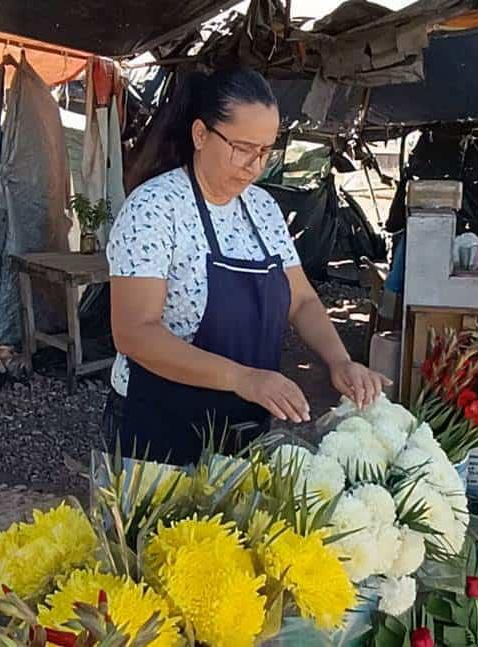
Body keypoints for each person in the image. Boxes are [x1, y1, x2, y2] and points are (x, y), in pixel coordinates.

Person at [104, 68, 389, 465]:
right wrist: (242, 378)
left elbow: (302, 299)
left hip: (243, 424)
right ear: (200, 135)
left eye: (265, 150)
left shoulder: (262, 208)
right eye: (242, 147)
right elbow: (135, 334)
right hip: (160, 426)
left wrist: (339, 360)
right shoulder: (154, 208)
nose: (255, 166)